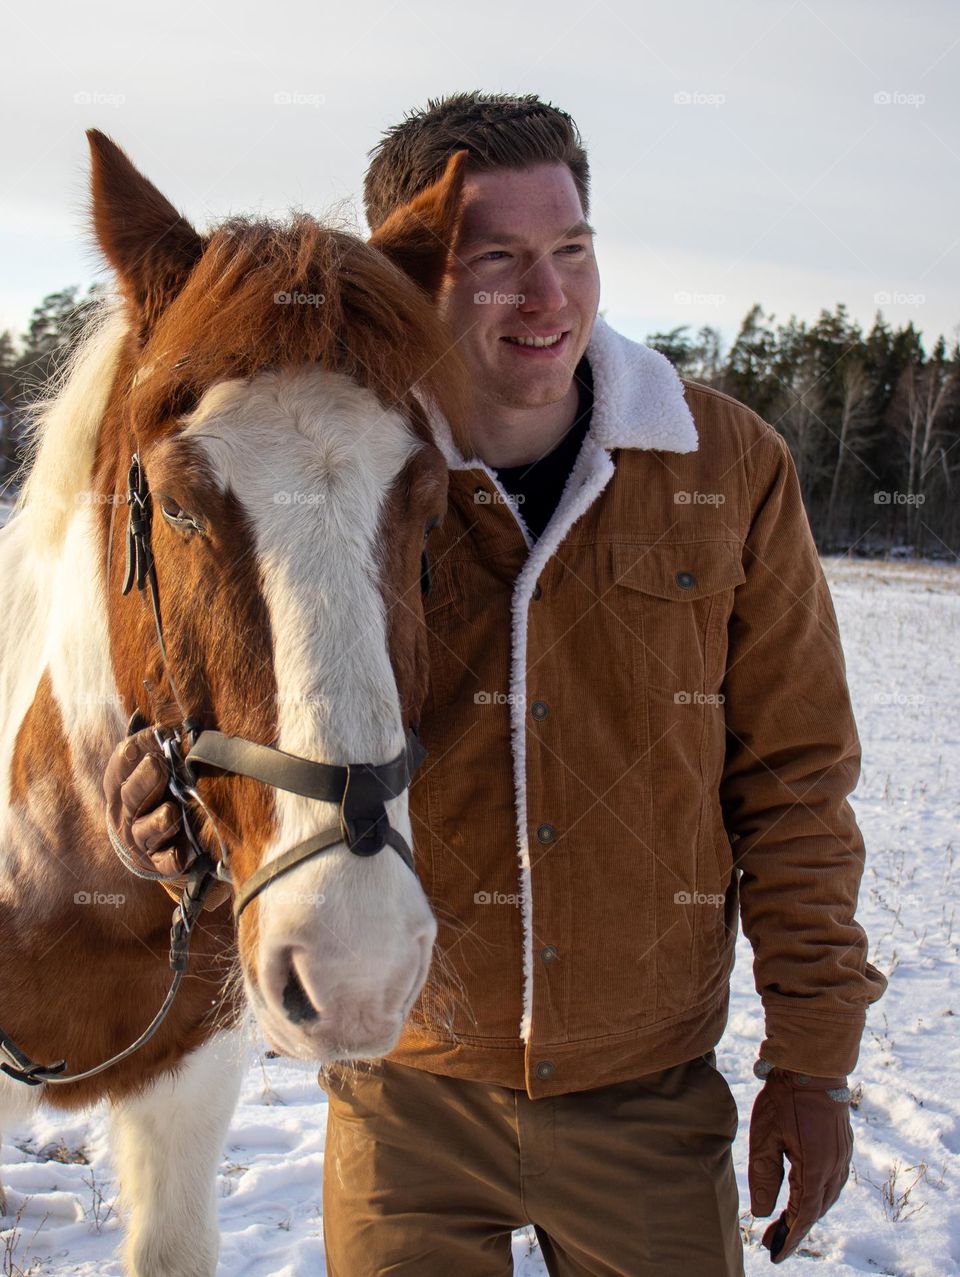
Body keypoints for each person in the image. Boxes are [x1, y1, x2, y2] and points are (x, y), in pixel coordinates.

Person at [104, 92, 887, 1275]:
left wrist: (812, 1059)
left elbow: (796, 782)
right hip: (407, 1090)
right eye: (498, 261)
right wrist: (170, 812)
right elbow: (248, 709)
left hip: (650, 1100)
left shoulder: (725, 465)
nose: (548, 296)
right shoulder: (340, 472)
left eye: (571, 250)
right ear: (414, 275)